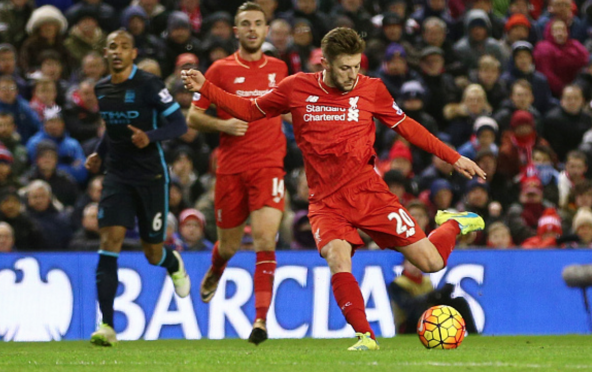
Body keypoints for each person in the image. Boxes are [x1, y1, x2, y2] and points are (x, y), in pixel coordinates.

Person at [183, 27, 486, 351]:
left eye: (357, 66)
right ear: (324, 62)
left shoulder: (372, 90)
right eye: (345, 68)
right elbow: (248, 110)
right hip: (326, 202)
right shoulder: (295, 88)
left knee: (431, 262)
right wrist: (208, 89)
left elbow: (408, 127)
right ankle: (365, 336)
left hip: (369, 194)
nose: (352, 74)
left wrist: (453, 157)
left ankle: (454, 223)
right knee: (336, 257)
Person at [187, 2, 288, 346]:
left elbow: (290, 110)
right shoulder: (219, 70)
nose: (252, 29)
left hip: (269, 165)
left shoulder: (279, 68)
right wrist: (222, 123)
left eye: (258, 23)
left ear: (265, 29)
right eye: (245, 23)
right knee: (229, 246)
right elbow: (193, 116)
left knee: (264, 239)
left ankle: (260, 319)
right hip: (231, 169)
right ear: (236, 31)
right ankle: (217, 267)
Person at [84, 29, 190, 347]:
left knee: (152, 252)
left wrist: (150, 137)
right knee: (110, 239)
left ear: (133, 53)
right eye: (112, 47)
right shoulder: (101, 88)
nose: (117, 51)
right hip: (117, 175)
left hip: (150, 177)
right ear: (106, 53)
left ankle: (173, 263)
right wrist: (99, 155)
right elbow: (113, 130)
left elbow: (179, 124)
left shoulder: (148, 85)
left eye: (124, 47)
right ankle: (107, 325)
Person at [388, 259, 477, 334]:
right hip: (408, 324)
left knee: (459, 302)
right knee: (420, 309)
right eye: (411, 263)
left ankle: (473, 333)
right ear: (404, 265)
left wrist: (442, 295)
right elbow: (409, 306)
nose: (415, 266)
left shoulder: (426, 281)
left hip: (429, 319)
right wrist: (432, 296)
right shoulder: (397, 284)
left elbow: (431, 302)